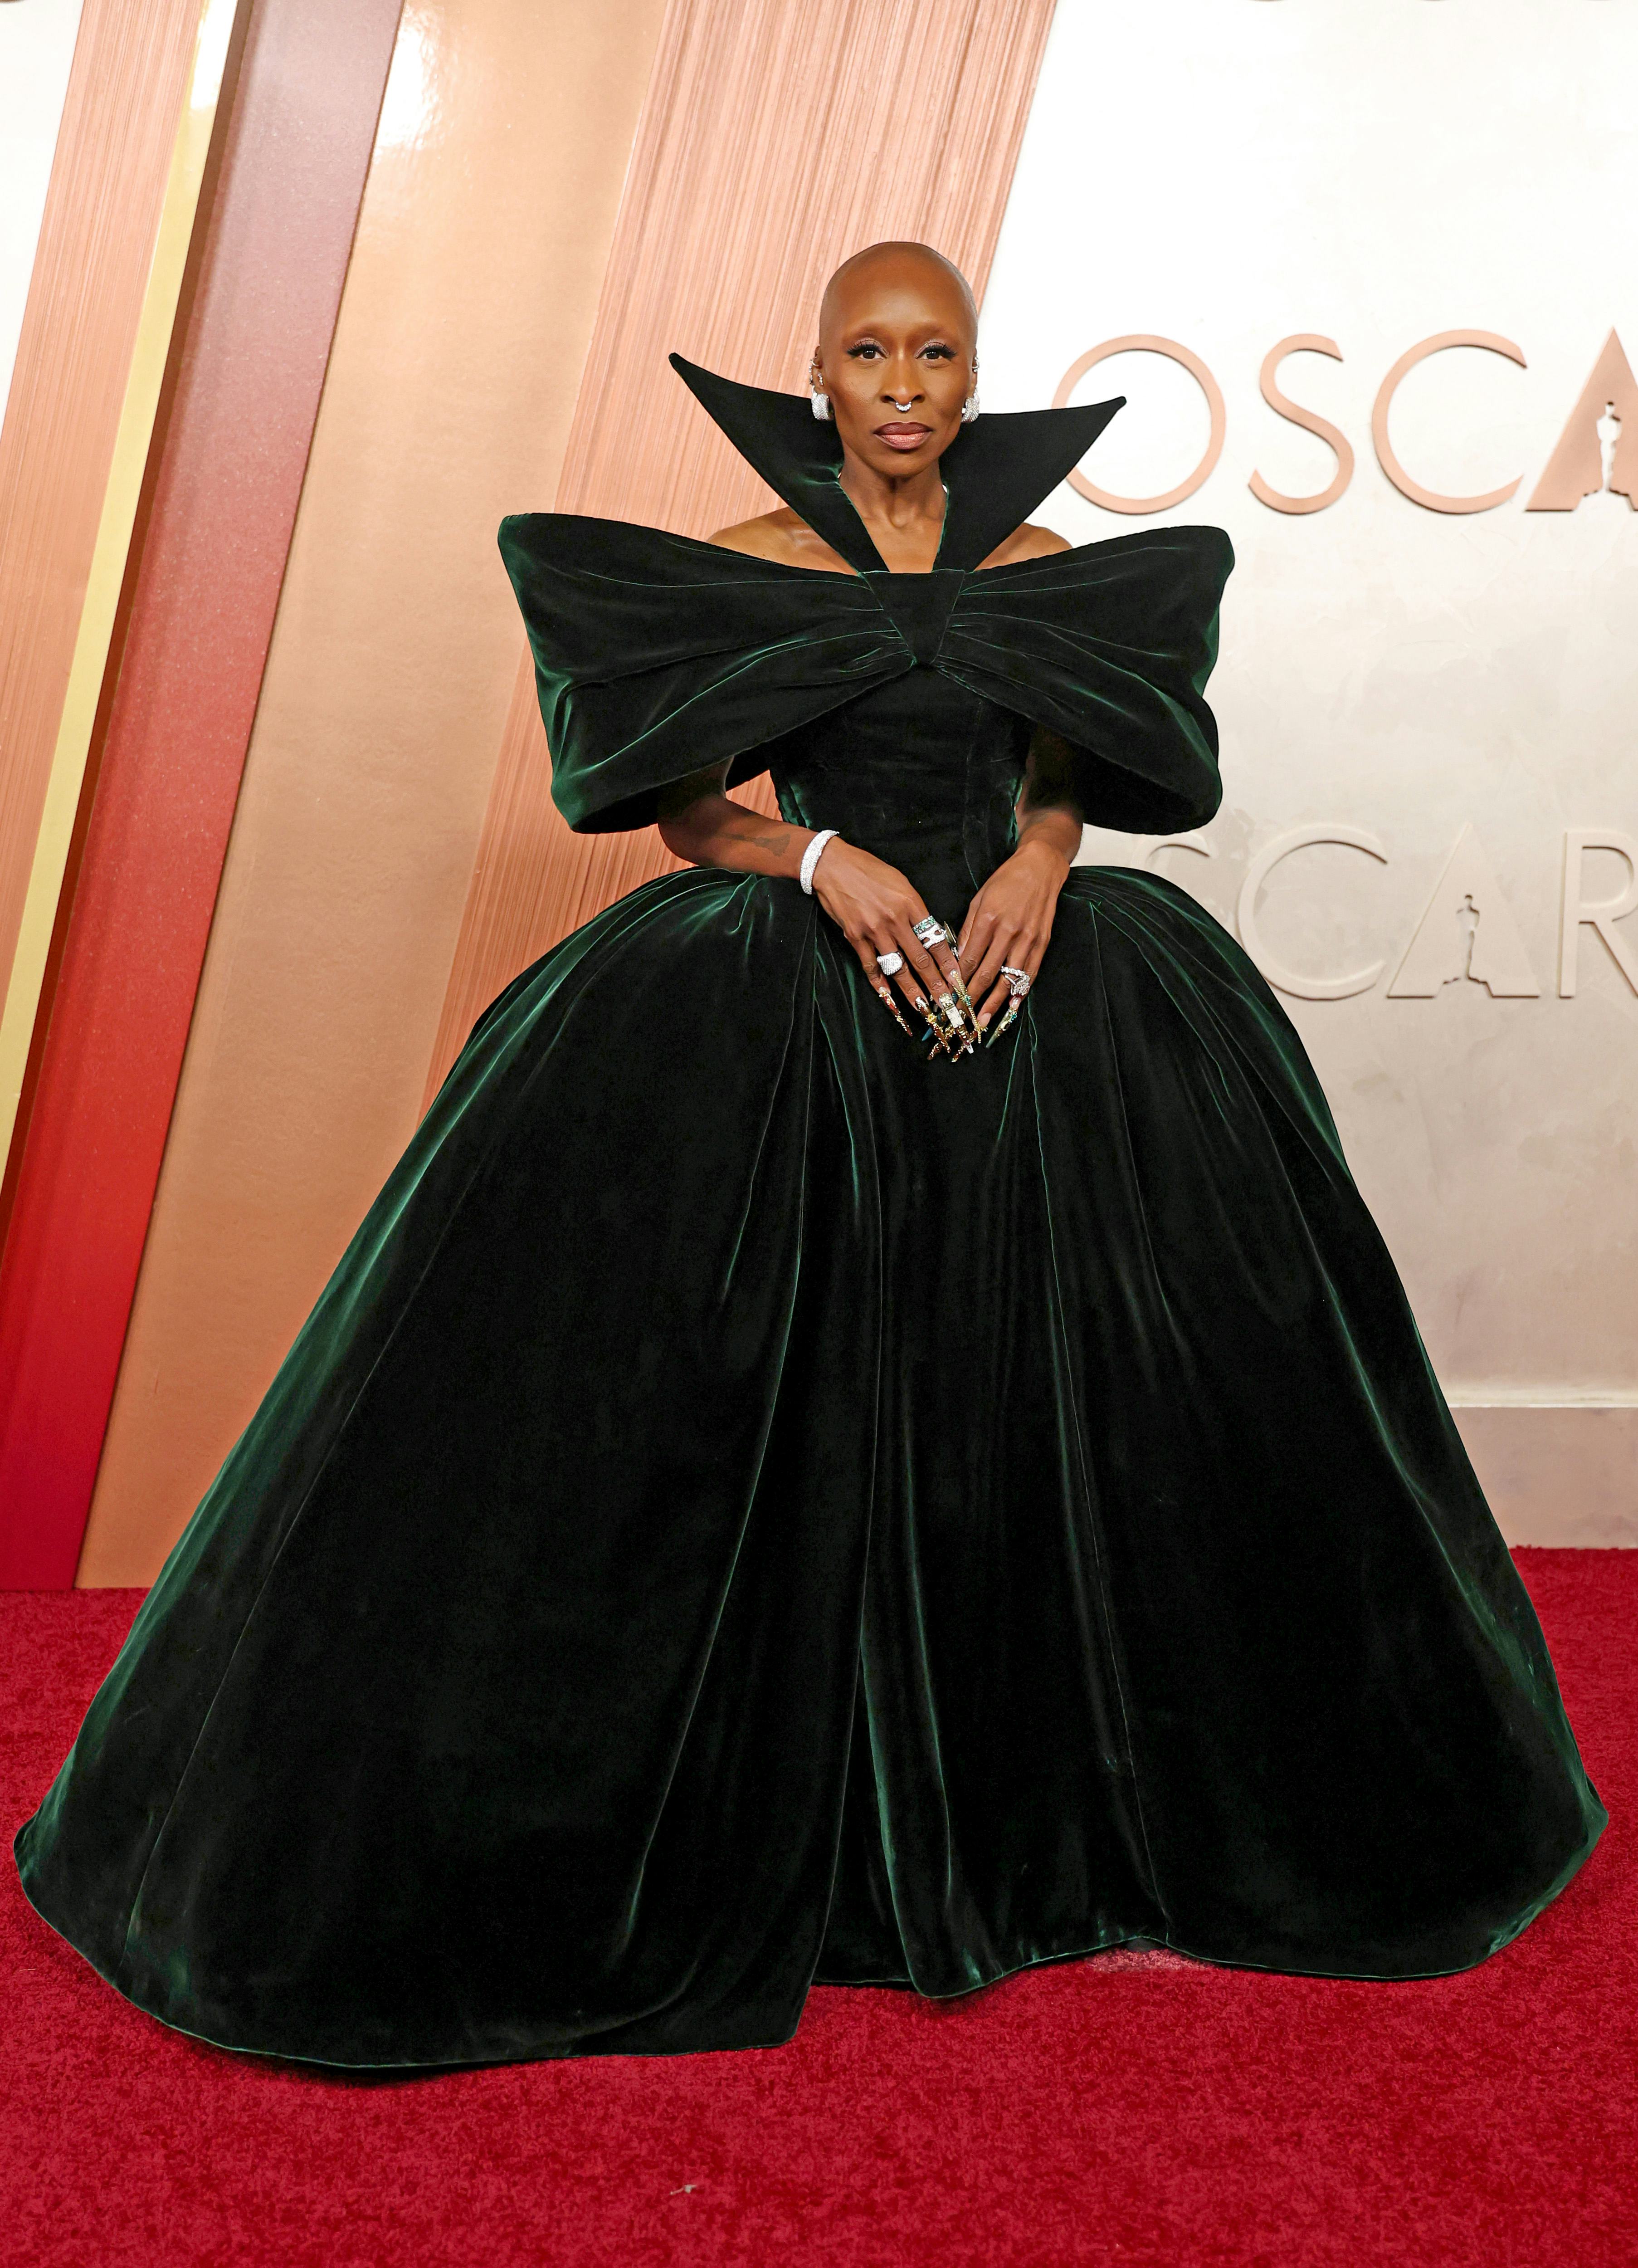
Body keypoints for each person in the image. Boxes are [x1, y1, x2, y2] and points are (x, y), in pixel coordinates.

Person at [15, 243, 1603, 2069]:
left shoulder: (1035, 572)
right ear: (824, 373)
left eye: (935, 350)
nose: (904, 379)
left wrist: (1041, 858)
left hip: (1032, 982)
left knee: (1146, 1377)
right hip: (796, 976)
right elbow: (687, 810)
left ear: (972, 371)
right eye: (870, 349)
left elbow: (1071, 764)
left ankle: (1098, 1814)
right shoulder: (751, 571)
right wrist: (823, 865)